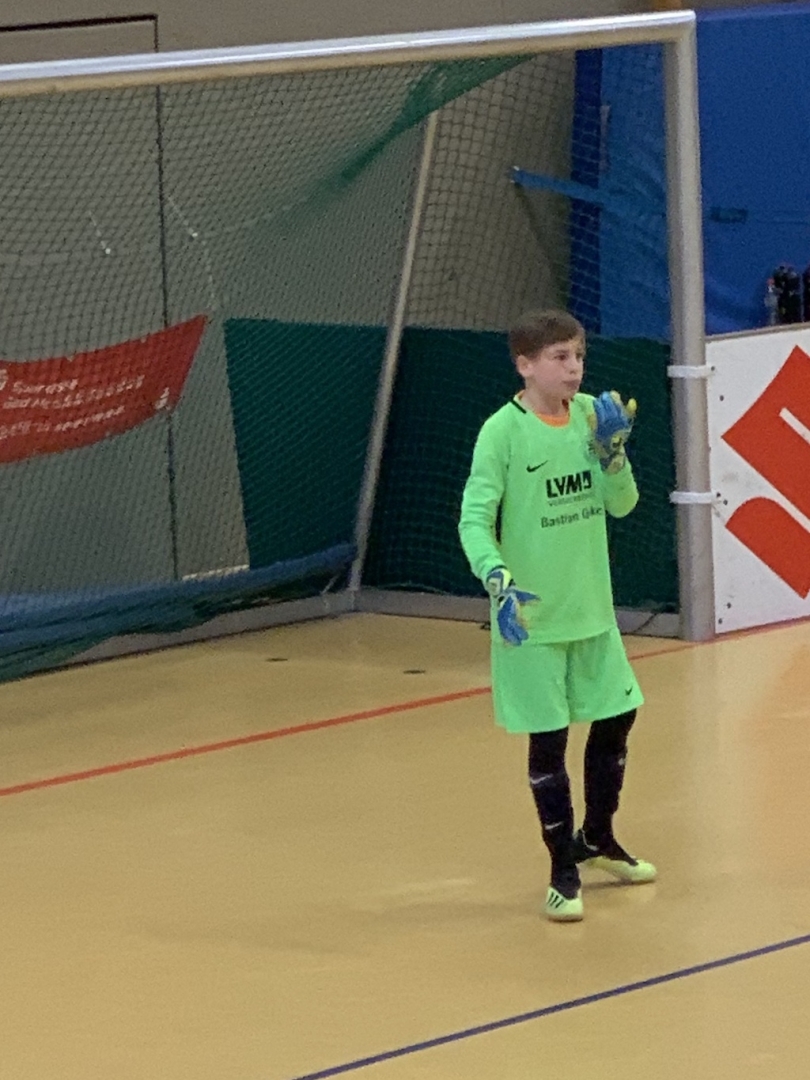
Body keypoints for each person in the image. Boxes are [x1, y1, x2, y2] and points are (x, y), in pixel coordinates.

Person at [458, 309, 656, 922]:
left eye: (579, 356)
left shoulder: (593, 416)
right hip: (532, 620)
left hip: (592, 611)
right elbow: (474, 519)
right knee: (549, 742)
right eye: (560, 358)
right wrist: (497, 579)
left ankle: (598, 838)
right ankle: (561, 870)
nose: (574, 369)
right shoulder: (502, 432)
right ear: (525, 365)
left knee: (618, 717)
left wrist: (613, 455)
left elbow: (623, 506)